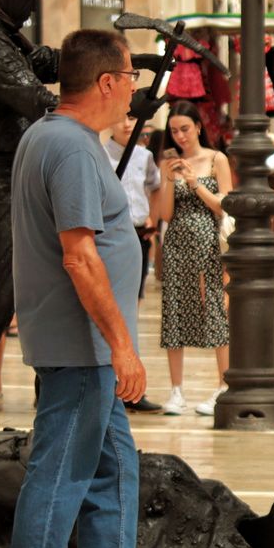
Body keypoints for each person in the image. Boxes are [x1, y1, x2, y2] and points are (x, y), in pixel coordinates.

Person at [3, 29, 145, 548]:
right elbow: (80, 255)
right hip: (80, 346)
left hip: (85, 346)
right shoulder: (67, 146)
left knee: (113, 470)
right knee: (60, 475)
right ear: (107, 81)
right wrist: (122, 346)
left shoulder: (58, 138)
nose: (136, 87)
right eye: (131, 76)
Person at [0, 0, 61, 362]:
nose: (34, 6)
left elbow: (43, 63)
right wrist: (107, 105)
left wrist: (114, 64)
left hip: (7, 175)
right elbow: (36, 97)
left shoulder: (4, 32)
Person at [154, 101, 232, 417]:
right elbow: (165, 214)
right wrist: (169, 179)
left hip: (209, 243)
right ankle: (176, 390)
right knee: (175, 310)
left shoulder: (216, 159)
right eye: (174, 131)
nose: (180, 136)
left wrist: (193, 182)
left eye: (185, 129)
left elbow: (224, 205)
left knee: (214, 308)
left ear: (198, 127)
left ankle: (224, 385)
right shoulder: (169, 162)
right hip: (177, 243)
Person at [104, 115, 163, 414]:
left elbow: (155, 187)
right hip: (108, 237)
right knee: (105, 308)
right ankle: (109, 384)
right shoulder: (99, 154)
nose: (127, 124)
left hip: (138, 235)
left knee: (131, 309)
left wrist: (153, 220)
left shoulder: (145, 156)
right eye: (121, 119)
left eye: (132, 118)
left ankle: (130, 388)